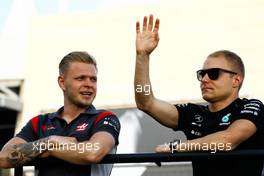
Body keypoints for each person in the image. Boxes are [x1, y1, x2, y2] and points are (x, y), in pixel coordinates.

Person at [134, 14, 264, 176]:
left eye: (214, 73)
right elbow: (145, 102)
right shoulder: (194, 113)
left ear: (236, 80)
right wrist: (142, 57)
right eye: (202, 74)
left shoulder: (251, 106)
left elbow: (227, 141)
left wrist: (176, 147)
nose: (204, 79)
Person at [0, 51, 120, 176]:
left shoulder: (104, 118)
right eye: (81, 78)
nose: (89, 84)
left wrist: (48, 149)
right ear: (62, 82)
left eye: (93, 79)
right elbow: (3, 158)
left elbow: (93, 152)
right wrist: (50, 142)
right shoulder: (39, 122)